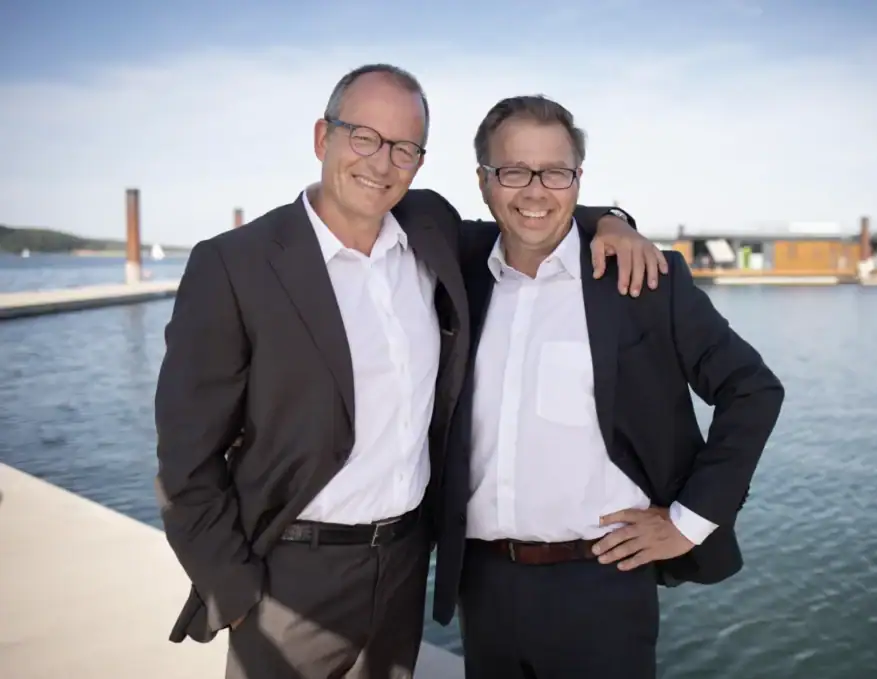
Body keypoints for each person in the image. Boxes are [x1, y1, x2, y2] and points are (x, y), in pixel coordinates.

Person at [153, 64, 665, 679]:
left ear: (419, 162)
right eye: (363, 137)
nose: (381, 162)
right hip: (289, 576)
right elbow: (186, 456)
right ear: (323, 138)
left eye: (404, 148)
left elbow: (532, 211)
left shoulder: (430, 233)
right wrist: (231, 589)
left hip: (403, 569)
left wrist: (612, 221)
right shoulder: (234, 265)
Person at [432, 94, 786, 679]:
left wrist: (688, 521)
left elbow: (752, 389)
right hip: (483, 583)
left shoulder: (640, 279)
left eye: (556, 172)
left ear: (578, 179)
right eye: (514, 171)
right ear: (484, 180)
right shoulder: (460, 268)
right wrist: (608, 216)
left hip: (601, 582)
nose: (535, 191)